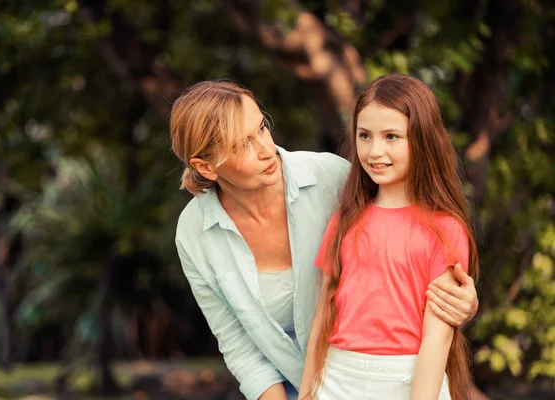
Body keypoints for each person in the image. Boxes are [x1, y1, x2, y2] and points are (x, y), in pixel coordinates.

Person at [170, 80, 478, 400]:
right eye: (242, 144)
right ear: (205, 167)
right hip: (309, 387)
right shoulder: (195, 233)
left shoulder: (334, 180)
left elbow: (409, 250)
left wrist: (463, 300)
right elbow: (238, 343)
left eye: (261, 128)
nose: (266, 149)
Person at [298, 73, 479, 400]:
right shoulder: (343, 221)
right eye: (364, 135)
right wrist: (307, 392)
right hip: (337, 381)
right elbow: (322, 319)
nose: (374, 150)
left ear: (422, 140)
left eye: (392, 136)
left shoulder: (445, 229)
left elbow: (437, 340)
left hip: (411, 382)